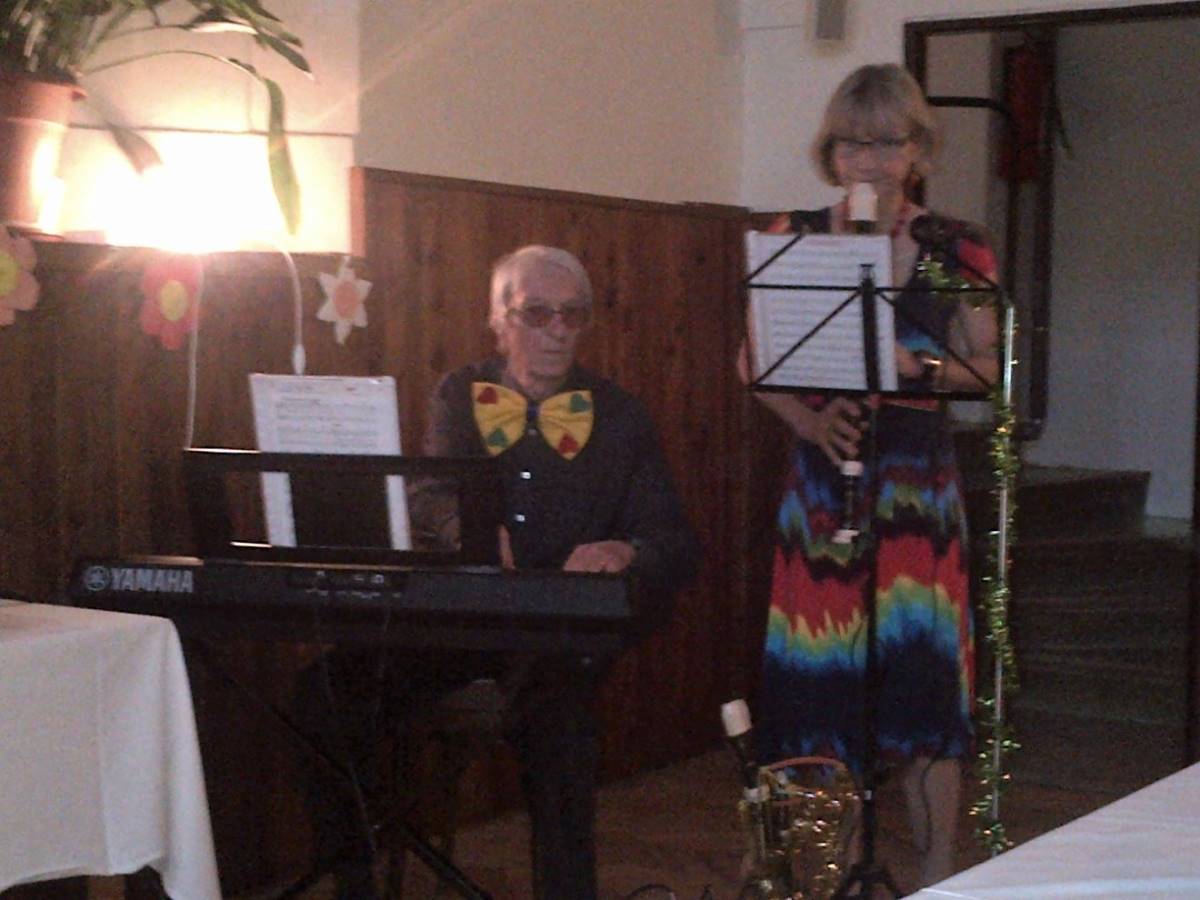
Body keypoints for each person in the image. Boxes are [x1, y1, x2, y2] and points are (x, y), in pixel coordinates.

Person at [295, 244, 699, 900]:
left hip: (558, 641)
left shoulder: (620, 416)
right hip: (458, 625)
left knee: (562, 726)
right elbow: (429, 493)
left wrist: (625, 551)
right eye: (537, 313)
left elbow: (675, 541)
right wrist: (470, 530)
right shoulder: (460, 395)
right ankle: (355, 881)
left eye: (573, 314)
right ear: (498, 320)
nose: (558, 330)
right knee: (325, 691)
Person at [742, 64, 999, 889]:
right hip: (826, 481)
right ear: (831, 150)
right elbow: (752, 362)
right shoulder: (792, 235)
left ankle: (939, 876)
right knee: (821, 684)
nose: (870, 160)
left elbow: (987, 367)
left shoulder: (955, 244)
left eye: (889, 142)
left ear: (917, 149)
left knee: (925, 683)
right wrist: (811, 422)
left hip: (918, 488)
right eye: (853, 143)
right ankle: (833, 873)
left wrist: (914, 365)